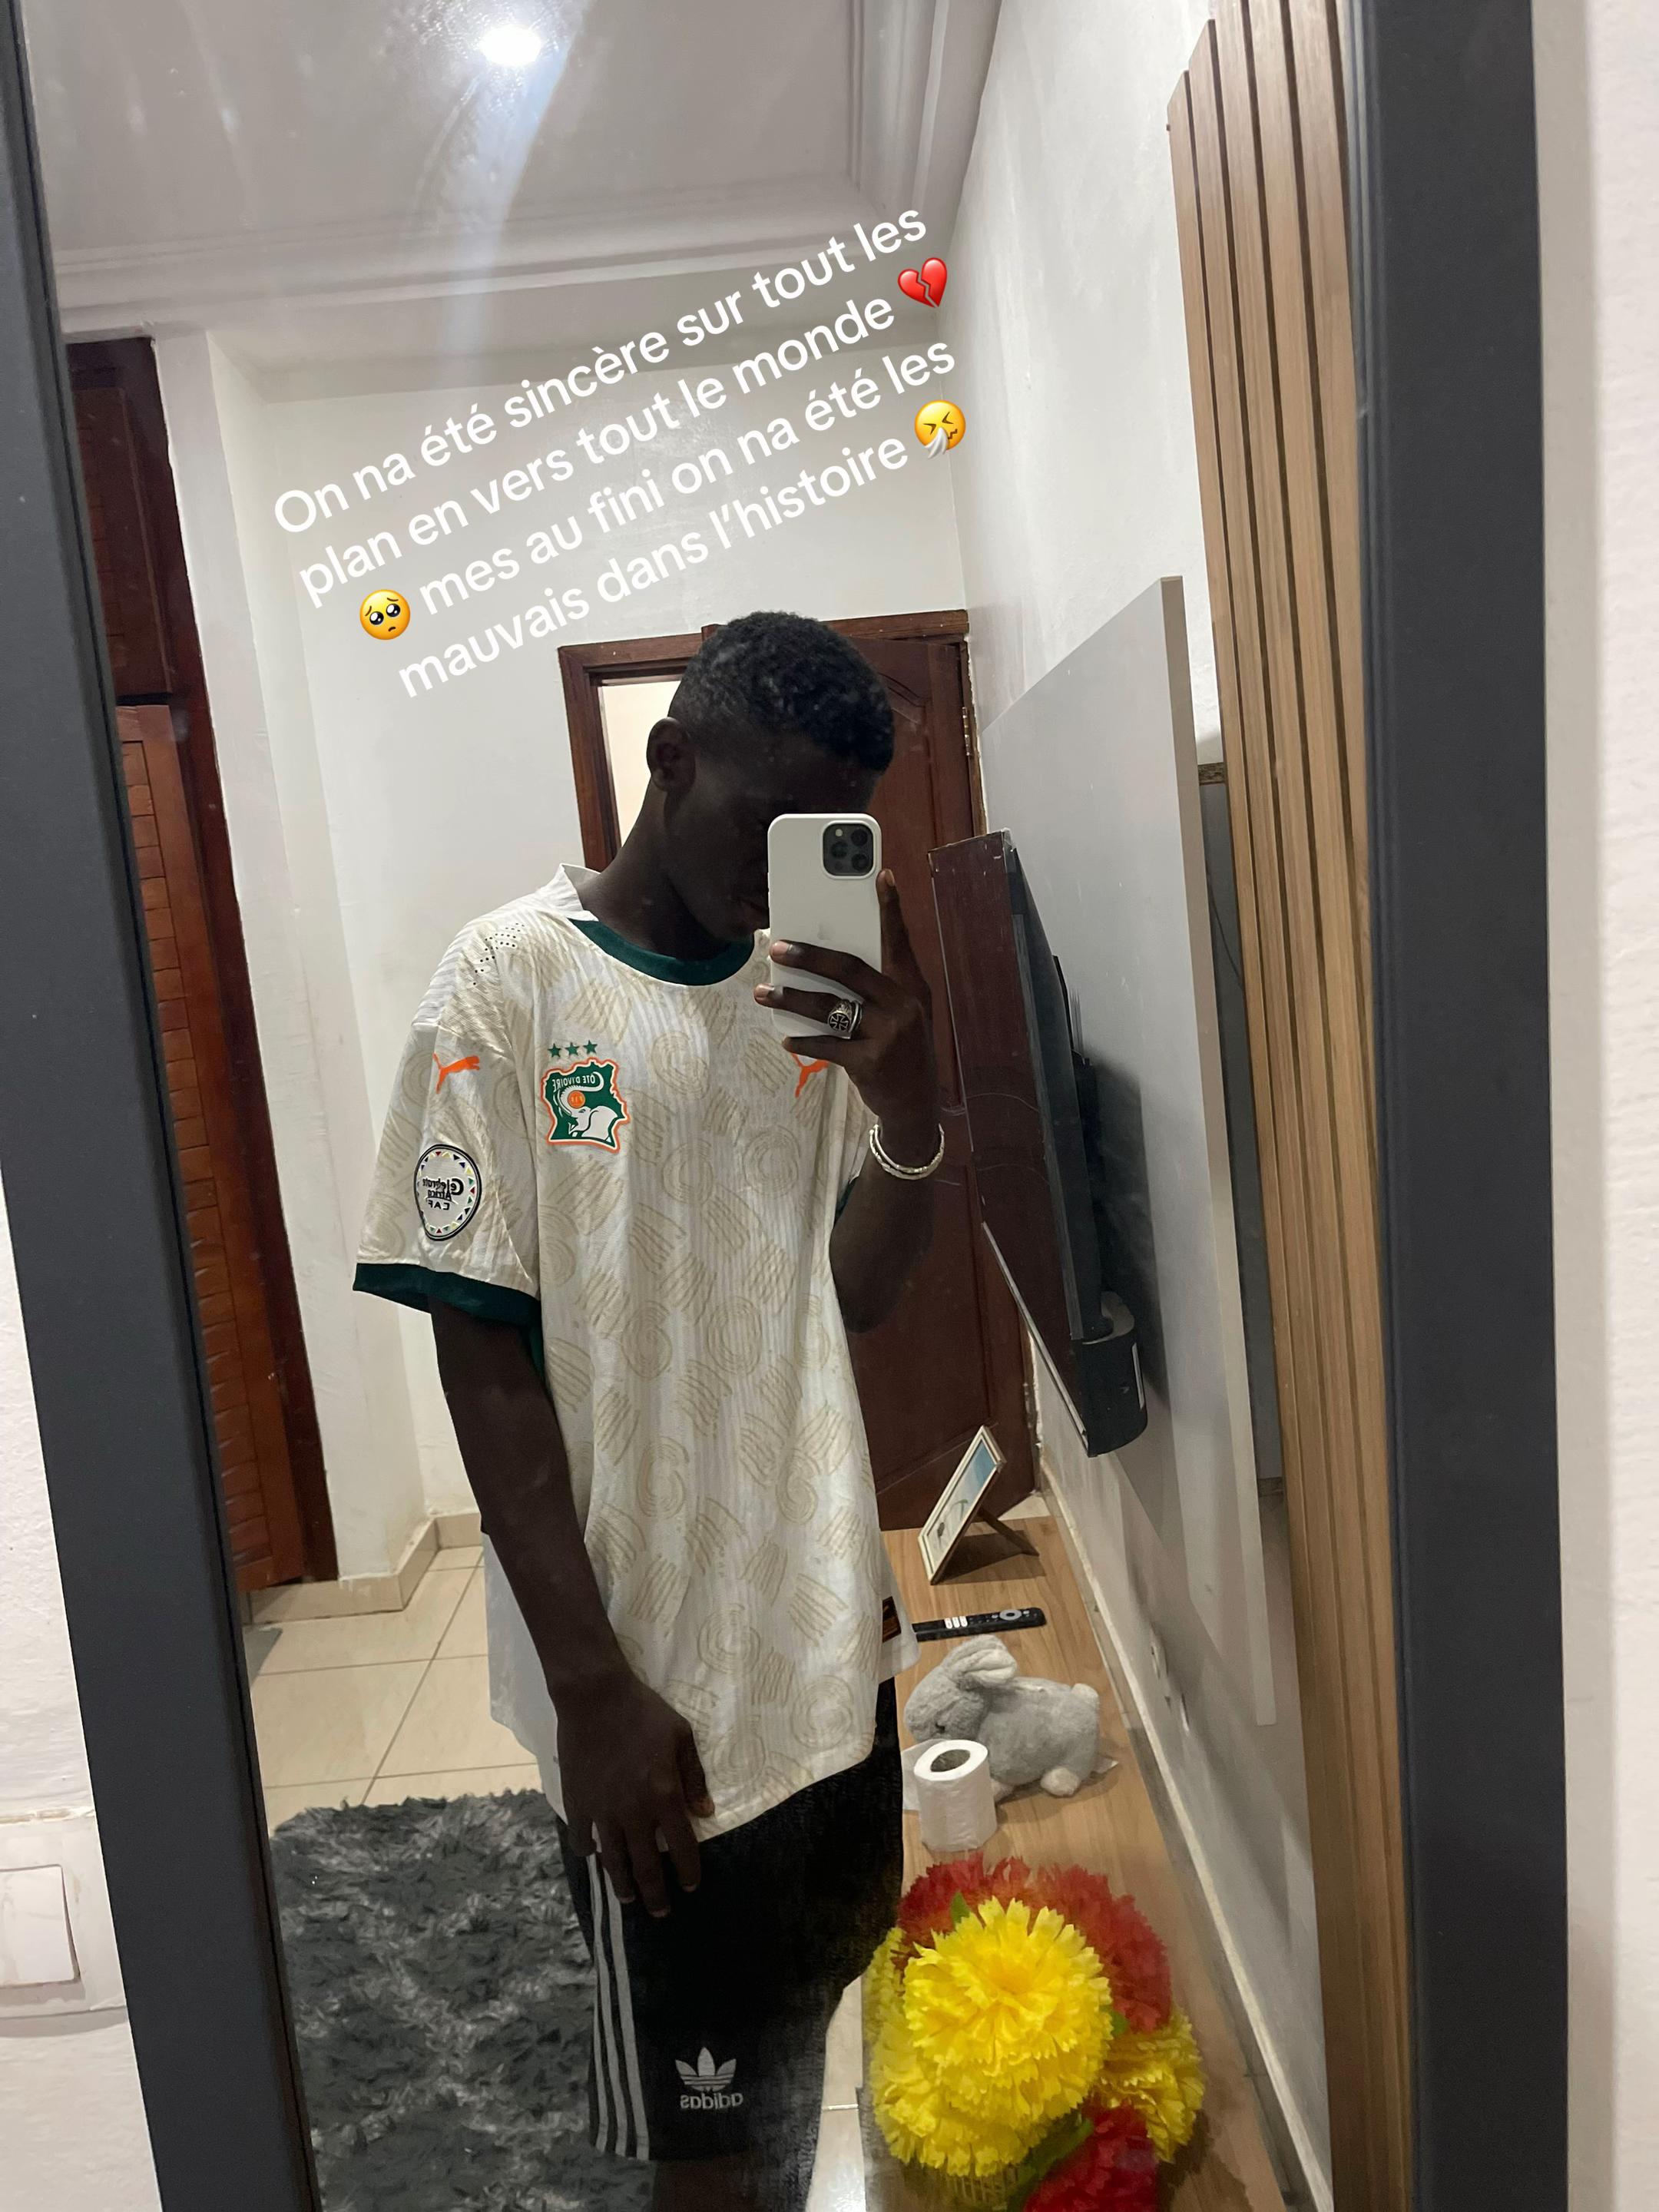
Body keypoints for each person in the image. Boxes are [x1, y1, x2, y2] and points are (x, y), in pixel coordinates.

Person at [355, 611, 942, 2210]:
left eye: (830, 835)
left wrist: (911, 1103)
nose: (783, 872)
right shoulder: (508, 980)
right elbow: (482, 1357)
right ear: (668, 761)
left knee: (804, 2049)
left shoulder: (811, 999)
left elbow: (858, 1293)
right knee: (702, 2154)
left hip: (826, 1652)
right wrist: (590, 1690)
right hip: (652, 1690)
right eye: (767, 823)